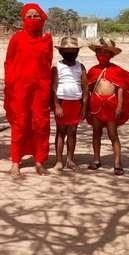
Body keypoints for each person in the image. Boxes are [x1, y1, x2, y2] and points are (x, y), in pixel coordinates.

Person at [4, 3, 53, 177]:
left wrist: (46, 86)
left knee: (40, 124)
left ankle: (39, 161)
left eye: (36, 16)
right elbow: (8, 63)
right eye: (29, 16)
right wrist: (10, 86)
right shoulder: (16, 38)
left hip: (40, 89)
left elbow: (48, 63)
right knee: (20, 123)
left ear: (42, 18)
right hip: (19, 89)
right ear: (24, 19)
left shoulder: (47, 39)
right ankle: (15, 162)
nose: (32, 19)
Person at [86, 38, 129, 174]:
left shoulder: (116, 71)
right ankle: (96, 160)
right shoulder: (93, 71)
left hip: (111, 105)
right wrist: (86, 108)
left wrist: (119, 106)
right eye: (99, 52)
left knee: (112, 134)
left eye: (105, 52)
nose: (101, 55)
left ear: (111, 55)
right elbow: (87, 90)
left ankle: (117, 162)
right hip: (95, 104)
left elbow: (120, 88)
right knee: (96, 133)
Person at [52, 36, 88, 170]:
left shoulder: (81, 67)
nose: (70, 53)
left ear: (77, 52)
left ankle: (70, 160)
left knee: (73, 132)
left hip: (76, 104)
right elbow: (54, 87)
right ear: (61, 52)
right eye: (67, 51)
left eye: (73, 50)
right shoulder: (57, 66)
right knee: (61, 132)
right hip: (62, 102)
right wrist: (56, 105)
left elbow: (85, 89)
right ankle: (59, 160)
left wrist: (84, 107)